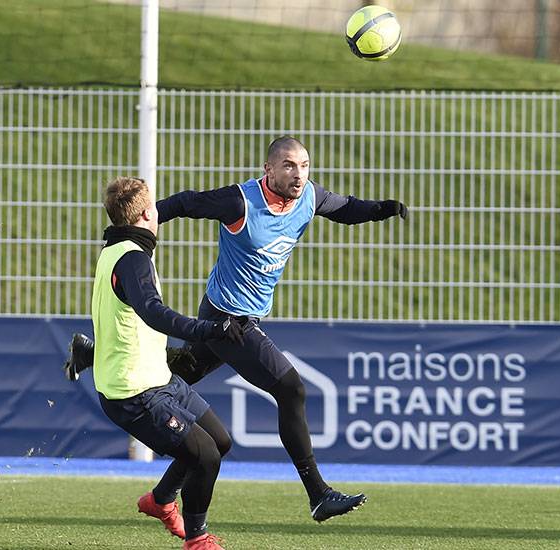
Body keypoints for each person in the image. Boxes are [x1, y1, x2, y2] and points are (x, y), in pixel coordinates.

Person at [65, 137, 408, 522]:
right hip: (228, 318)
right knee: (290, 388)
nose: (299, 174)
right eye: (290, 166)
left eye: (305, 165)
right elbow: (188, 202)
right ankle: (318, 494)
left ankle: (160, 496)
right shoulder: (240, 201)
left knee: (173, 374)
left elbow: (343, 207)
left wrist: (381, 209)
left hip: (240, 319)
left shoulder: (309, 197)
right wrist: (135, 221)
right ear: (269, 170)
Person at [89, 176, 245, 550]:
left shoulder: (118, 249)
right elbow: (153, 313)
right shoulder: (132, 259)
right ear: (146, 214)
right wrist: (207, 329)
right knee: (204, 455)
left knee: (219, 441)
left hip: (157, 376)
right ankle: (197, 539)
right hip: (135, 391)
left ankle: (160, 501)